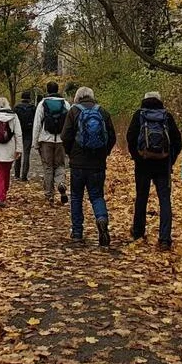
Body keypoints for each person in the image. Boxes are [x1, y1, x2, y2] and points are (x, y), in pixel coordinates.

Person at [126, 91, 182, 250]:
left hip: (143, 164)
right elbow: (177, 141)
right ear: (159, 101)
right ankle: (164, 239)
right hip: (163, 165)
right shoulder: (167, 116)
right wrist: (170, 160)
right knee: (164, 200)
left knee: (141, 198)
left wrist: (137, 156)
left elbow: (130, 138)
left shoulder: (139, 115)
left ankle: (138, 232)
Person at [61, 86, 116, 246]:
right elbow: (111, 137)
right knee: (97, 195)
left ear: (77, 97)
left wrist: (71, 153)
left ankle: (77, 232)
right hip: (97, 163)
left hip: (78, 163)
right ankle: (101, 218)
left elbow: (65, 136)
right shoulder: (103, 112)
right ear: (92, 96)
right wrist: (104, 153)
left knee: (77, 196)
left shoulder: (73, 112)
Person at [32, 82, 70, 206]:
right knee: (60, 165)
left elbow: (37, 124)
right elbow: (70, 124)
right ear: (58, 89)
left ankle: (49, 195)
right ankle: (61, 183)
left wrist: (35, 142)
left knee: (48, 167)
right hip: (61, 140)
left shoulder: (42, 104)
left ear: (47, 90)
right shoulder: (65, 104)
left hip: (46, 140)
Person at [0, 96, 23, 208]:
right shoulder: (14, 116)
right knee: (6, 172)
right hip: (9, 149)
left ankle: (0, 196)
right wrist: (18, 149)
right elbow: (18, 133)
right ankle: (4, 192)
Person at [13, 91, 37, 181]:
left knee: (18, 153)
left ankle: (16, 174)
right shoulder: (33, 108)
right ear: (29, 99)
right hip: (28, 133)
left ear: (21, 98)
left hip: (18, 133)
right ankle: (24, 176)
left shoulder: (16, 108)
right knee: (27, 154)